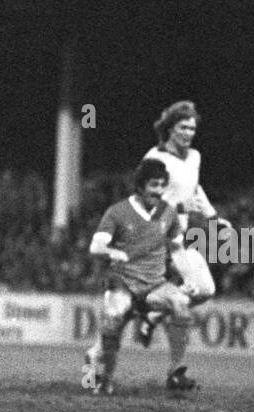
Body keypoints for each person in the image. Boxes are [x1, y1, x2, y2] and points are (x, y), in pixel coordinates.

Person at [81, 158, 197, 395]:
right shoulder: (118, 212)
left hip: (154, 285)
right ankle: (104, 375)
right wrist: (113, 251)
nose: (159, 191)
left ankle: (176, 372)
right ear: (141, 185)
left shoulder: (168, 213)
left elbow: (176, 249)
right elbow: (95, 247)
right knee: (113, 322)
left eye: (162, 185)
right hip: (122, 283)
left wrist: (188, 277)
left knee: (181, 303)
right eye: (154, 185)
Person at [135, 100, 231, 346]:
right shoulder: (155, 158)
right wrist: (179, 207)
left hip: (181, 236)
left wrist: (213, 218)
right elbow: (145, 201)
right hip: (158, 235)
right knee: (189, 289)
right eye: (183, 128)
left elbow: (195, 188)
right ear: (170, 128)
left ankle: (151, 316)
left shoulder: (195, 157)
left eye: (192, 129)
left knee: (206, 289)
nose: (189, 134)